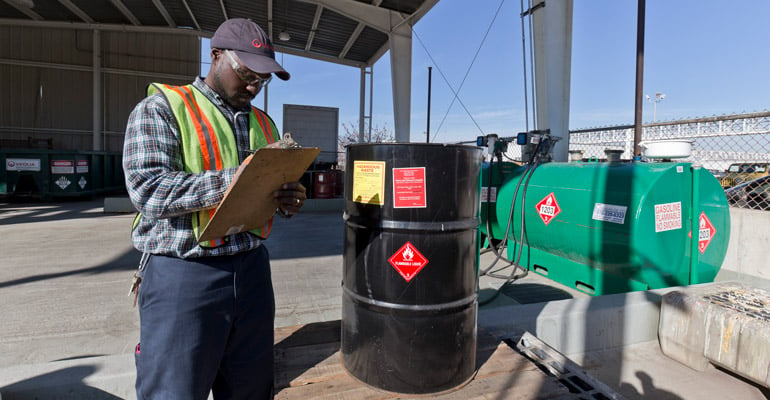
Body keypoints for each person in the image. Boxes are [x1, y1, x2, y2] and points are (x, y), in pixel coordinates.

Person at [122, 18, 305, 399]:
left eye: (263, 78)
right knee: (175, 390)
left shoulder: (264, 124)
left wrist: (286, 199)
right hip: (185, 276)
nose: (255, 85)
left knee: (250, 388)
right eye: (247, 73)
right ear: (216, 55)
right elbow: (148, 189)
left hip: (252, 271)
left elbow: (264, 192)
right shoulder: (162, 109)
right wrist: (236, 180)